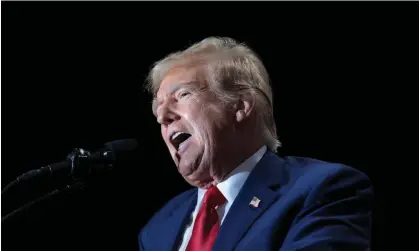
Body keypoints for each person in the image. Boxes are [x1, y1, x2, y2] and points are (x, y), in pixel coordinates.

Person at [138, 37, 373, 251]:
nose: (162, 116)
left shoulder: (321, 190)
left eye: (182, 95)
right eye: (158, 107)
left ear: (240, 106)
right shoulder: (157, 229)